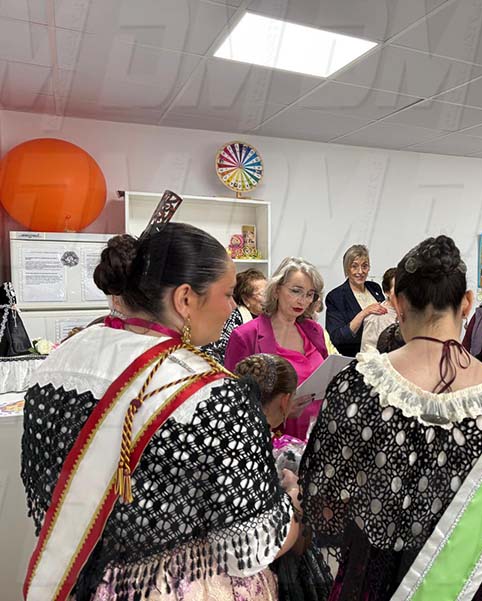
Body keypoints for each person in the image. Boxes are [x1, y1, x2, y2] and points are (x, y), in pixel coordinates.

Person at [21, 223, 300, 601]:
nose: (232, 308)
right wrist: (290, 503)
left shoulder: (62, 360)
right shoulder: (214, 391)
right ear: (185, 299)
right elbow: (248, 549)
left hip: (91, 581)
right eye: (227, 294)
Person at [300, 235, 482, 600]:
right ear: (468, 302)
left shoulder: (355, 385)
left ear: (397, 302)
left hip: (374, 580)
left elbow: (326, 513)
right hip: (475, 584)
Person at [234, 354, 334, 601]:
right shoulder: (256, 446)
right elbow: (268, 544)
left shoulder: (236, 435)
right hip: (260, 563)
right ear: (285, 400)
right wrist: (294, 494)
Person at [225, 257, 328, 440]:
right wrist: (281, 412)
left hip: (317, 431)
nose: (302, 300)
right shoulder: (246, 335)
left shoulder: (314, 331)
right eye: (296, 291)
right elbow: (233, 401)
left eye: (309, 294)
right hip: (272, 438)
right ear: (276, 289)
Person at [325, 244, 385, 356]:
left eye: (364, 266)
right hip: (356, 357)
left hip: (382, 354)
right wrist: (364, 313)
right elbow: (337, 338)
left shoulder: (374, 288)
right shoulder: (336, 297)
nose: (360, 271)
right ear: (347, 269)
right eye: (354, 266)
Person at [202, 268, 267, 363]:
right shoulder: (233, 320)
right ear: (245, 299)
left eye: (269, 291)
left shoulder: (268, 317)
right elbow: (215, 353)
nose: (268, 297)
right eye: (263, 293)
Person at [360, 268, 398, 354]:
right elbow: (367, 356)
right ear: (387, 292)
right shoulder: (375, 318)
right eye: (398, 289)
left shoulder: (415, 313)